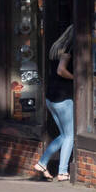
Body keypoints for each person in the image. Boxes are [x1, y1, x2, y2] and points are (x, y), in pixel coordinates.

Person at [35, 26, 76, 181]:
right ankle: (63, 172)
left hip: (51, 97)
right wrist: (75, 78)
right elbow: (61, 70)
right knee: (70, 135)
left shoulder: (56, 47)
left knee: (64, 135)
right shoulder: (69, 48)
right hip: (63, 97)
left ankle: (42, 162)